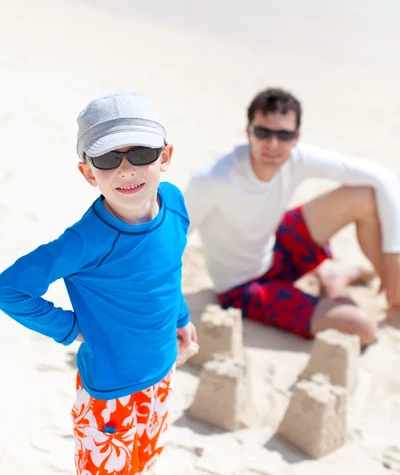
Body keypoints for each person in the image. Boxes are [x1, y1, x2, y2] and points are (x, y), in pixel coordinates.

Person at [0, 92, 196, 475]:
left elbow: (168, 270)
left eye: (141, 154)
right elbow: (10, 289)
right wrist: (73, 329)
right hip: (110, 392)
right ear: (89, 173)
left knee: (145, 463)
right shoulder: (84, 241)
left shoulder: (173, 203)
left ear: (166, 157)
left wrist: (181, 318)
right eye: (108, 159)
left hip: (162, 372)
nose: (126, 170)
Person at [185, 87, 400, 346]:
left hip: (275, 245)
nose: (273, 145)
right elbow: (171, 241)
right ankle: (334, 282)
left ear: (296, 137)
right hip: (243, 287)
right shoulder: (214, 179)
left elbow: (383, 178)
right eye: (263, 132)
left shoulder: (297, 158)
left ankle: (395, 298)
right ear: (248, 132)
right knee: (363, 329)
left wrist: (393, 256)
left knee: (363, 197)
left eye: (284, 135)